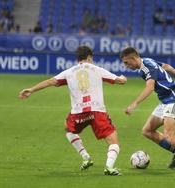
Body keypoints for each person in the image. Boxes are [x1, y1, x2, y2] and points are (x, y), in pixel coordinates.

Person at [19, 45, 127, 176]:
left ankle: (86, 157)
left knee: (68, 129)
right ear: (89, 57)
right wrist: (123, 78)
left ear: (78, 58)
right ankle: (109, 167)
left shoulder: (69, 72)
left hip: (78, 113)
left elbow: (50, 81)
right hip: (96, 111)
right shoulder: (97, 69)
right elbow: (120, 81)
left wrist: (31, 89)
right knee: (113, 141)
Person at [120, 47, 175, 172]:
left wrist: (134, 104)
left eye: (126, 62)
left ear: (133, 58)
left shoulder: (146, 67)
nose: (126, 66)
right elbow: (167, 66)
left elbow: (149, 88)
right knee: (147, 131)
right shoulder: (147, 61)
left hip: (174, 98)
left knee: (169, 136)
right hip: (165, 100)